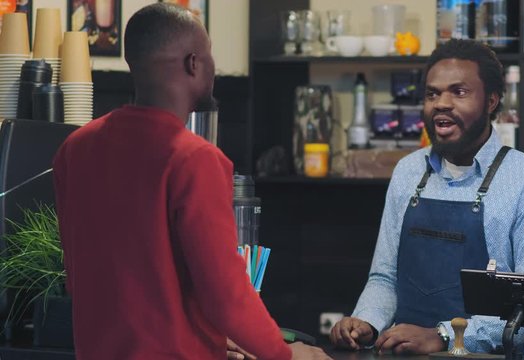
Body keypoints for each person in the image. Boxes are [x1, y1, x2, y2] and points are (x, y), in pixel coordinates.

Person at [53, 4, 329, 360]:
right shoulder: (196, 159)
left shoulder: (74, 149)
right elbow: (225, 293)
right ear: (194, 64)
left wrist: (209, 337)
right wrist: (288, 355)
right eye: (210, 54)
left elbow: (77, 276)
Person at [330, 39, 524, 355]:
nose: (441, 102)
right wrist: (366, 322)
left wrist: (444, 337)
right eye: (432, 93)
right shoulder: (408, 172)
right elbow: (385, 278)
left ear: (492, 101)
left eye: (459, 92)